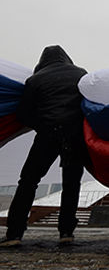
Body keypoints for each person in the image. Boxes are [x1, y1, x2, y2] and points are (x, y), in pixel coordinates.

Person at [1, 46, 88, 248]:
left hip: (48, 134)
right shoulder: (80, 74)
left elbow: (23, 114)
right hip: (75, 135)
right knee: (71, 184)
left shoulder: (35, 80)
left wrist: (43, 124)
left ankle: (15, 232)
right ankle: (66, 232)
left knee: (28, 181)